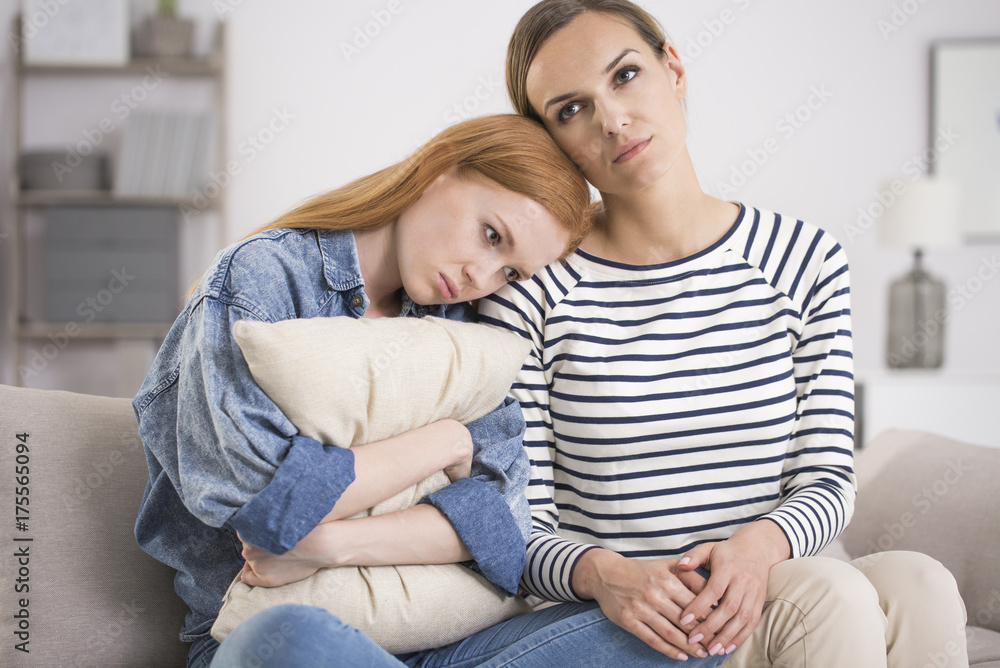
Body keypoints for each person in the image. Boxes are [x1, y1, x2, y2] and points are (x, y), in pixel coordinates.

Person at [133, 113, 723, 668]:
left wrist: (334, 543)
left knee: (685, 626)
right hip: (287, 642)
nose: (481, 278)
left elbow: (505, 534)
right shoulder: (262, 280)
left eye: (510, 272)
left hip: (447, 646)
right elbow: (269, 511)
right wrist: (444, 442)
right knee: (284, 642)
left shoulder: (464, 323)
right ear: (439, 169)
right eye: (491, 235)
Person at [479, 1, 970, 666]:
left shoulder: (805, 258)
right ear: (552, 140)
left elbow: (828, 475)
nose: (612, 120)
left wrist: (759, 546)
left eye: (624, 76)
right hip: (643, 615)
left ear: (672, 68)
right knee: (832, 593)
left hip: (774, 572)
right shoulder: (532, 288)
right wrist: (604, 573)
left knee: (922, 584)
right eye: (571, 110)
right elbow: (516, 527)